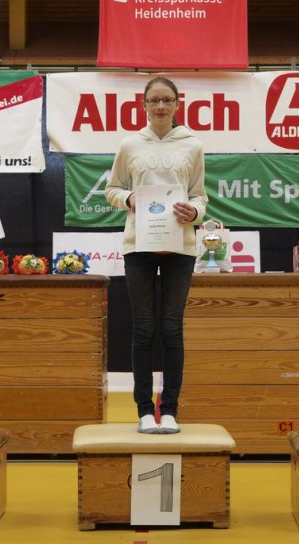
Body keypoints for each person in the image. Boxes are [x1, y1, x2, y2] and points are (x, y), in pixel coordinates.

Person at [105, 77, 208, 435]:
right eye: (154, 100)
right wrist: (129, 199)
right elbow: (112, 189)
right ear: (144, 105)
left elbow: (200, 195)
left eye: (167, 100)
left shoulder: (193, 145)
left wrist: (194, 212)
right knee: (144, 328)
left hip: (180, 247)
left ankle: (171, 409)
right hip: (139, 246)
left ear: (178, 104)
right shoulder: (130, 144)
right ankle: (145, 411)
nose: (161, 106)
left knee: (172, 328)